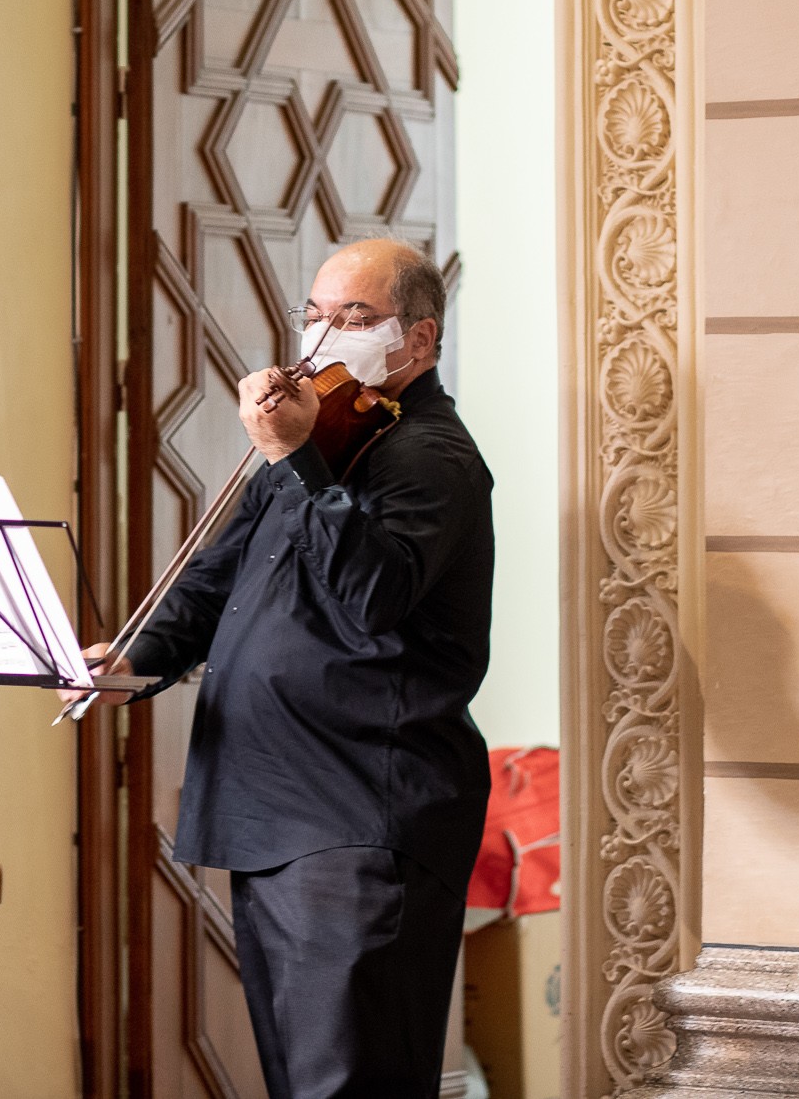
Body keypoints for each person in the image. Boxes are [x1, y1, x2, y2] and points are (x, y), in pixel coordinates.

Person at [69, 238, 494, 1099]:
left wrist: (294, 458)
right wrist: (132, 657)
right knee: (303, 1082)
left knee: (349, 1084)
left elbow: (370, 595)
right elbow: (216, 580)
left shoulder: (433, 457)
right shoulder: (326, 438)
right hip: (276, 806)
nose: (322, 335)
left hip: (360, 814)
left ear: (419, 340)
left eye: (355, 317)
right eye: (313, 315)